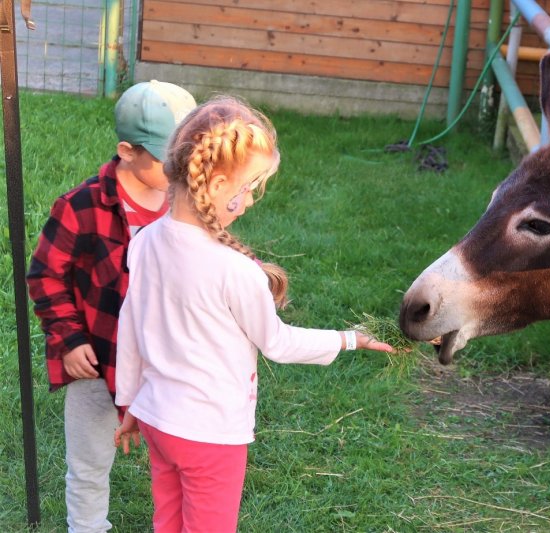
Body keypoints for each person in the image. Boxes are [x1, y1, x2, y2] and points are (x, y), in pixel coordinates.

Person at [112, 96, 395, 532]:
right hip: (209, 434)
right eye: (247, 188)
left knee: (167, 521)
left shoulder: (144, 240)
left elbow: (130, 324)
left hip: (156, 420)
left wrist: (129, 401)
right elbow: (277, 343)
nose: (248, 202)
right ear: (217, 183)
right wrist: (349, 338)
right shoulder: (235, 271)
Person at [26, 80, 197, 533]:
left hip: (168, 358)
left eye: (187, 155)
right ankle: (87, 526)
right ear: (127, 151)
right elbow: (45, 275)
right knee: (89, 463)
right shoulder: (81, 206)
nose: (182, 169)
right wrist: (69, 340)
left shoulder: (187, 202)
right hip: (99, 361)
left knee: (178, 455)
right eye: (168, 159)